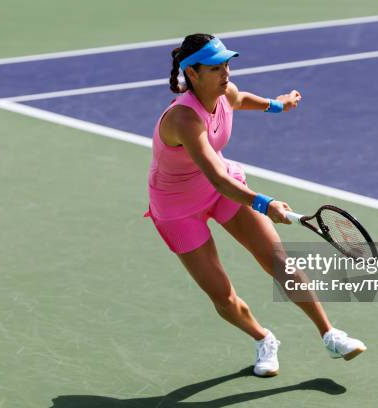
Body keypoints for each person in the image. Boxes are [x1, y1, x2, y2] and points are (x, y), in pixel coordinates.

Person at [145, 33, 366, 377]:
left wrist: (276, 105)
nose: (226, 73)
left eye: (227, 65)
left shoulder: (223, 92)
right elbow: (217, 178)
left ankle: (330, 334)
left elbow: (240, 98)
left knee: (278, 261)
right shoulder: (183, 120)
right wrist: (265, 204)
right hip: (178, 209)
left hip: (221, 190)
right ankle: (263, 338)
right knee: (222, 296)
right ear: (193, 73)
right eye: (216, 68)